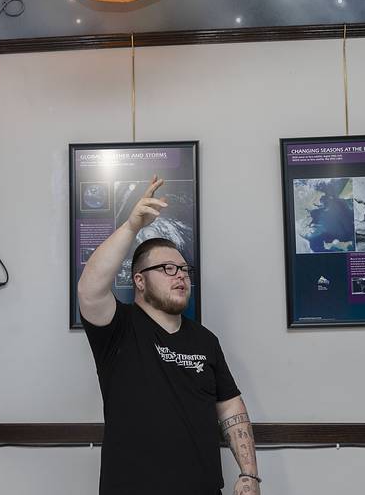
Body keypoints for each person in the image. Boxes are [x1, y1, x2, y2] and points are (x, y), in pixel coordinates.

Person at [78, 175, 261, 495]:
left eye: (184, 270)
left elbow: (231, 408)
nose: (180, 276)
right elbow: (89, 288)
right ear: (139, 280)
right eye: (167, 269)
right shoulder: (118, 329)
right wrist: (132, 226)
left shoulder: (205, 341)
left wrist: (249, 474)